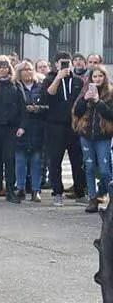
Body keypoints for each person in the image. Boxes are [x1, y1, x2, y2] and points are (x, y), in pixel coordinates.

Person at [42, 52, 87, 205]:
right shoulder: (49, 79)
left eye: (68, 63)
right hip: (54, 125)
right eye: (62, 63)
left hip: (73, 126)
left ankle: (80, 192)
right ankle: (57, 192)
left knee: (77, 160)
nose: (65, 66)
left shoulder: (77, 81)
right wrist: (58, 77)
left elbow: (82, 102)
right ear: (56, 64)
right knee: (55, 160)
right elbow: (48, 95)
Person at [0, 57, 26, 203]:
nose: (2, 69)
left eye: (5, 67)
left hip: (11, 126)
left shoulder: (15, 84)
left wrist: (22, 126)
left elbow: (22, 107)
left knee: (9, 158)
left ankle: (10, 190)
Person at [71, 65, 113, 213]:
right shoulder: (84, 92)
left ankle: (111, 199)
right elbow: (76, 111)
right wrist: (85, 99)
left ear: (105, 77)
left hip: (104, 136)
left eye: (100, 76)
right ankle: (92, 199)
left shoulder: (110, 93)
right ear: (90, 78)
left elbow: (110, 114)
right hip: (86, 135)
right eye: (94, 77)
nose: (97, 79)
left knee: (104, 169)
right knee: (88, 167)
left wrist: (97, 101)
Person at [14, 61, 46, 202]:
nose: (28, 72)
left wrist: (39, 108)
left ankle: (35, 190)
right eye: (24, 69)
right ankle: (20, 188)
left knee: (36, 160)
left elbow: (48, 105)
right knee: (20, 160)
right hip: (21, 126)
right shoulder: (16, 86)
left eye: (30, 69)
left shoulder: (41, 87)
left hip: (37, 126)